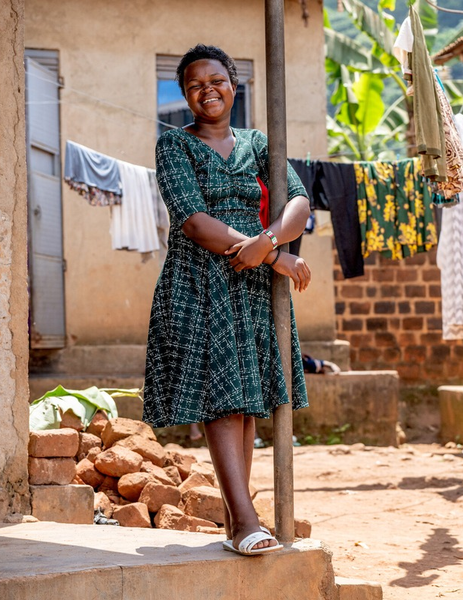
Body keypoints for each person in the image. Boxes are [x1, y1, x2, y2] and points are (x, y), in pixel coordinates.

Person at [142, 44, 312, 556]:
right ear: (185, 96)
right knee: (223, 399)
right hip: (199, 282)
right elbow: (193, 221)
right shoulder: (174, 146)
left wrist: (267, 246)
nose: (206, 90)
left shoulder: (258, 143)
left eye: (216, 80)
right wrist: (273, 255)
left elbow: (299, 202)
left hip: (253, 286)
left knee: (248, 399)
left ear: (233, 86)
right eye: (194, 84)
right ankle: (244, 522)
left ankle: (240, 521)